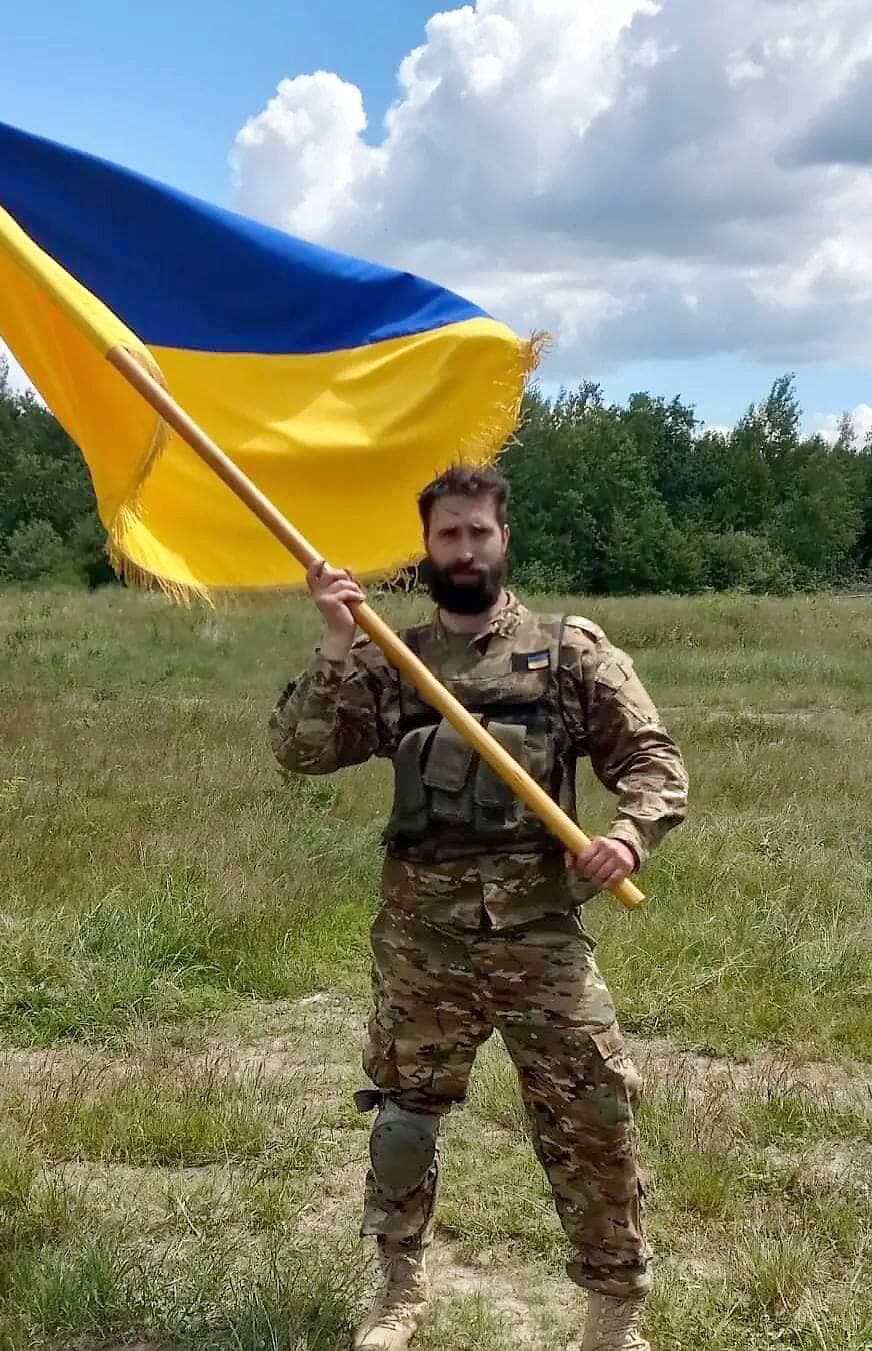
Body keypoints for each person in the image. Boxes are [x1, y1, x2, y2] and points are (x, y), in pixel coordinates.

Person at [269, 465, 689, 1351]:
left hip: (539, 935)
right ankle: (397, 1295)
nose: (464, 549)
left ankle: (613, 1313)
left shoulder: (568, 651)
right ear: (427, 546)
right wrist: (338, 641)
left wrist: (629, 835)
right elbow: (301, 751)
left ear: (504, 539)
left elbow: (654, 763)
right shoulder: (395, 654)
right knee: (403, 1122)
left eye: (479, 533)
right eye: (448, 535)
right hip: (424, 940)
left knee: (593, 1113)